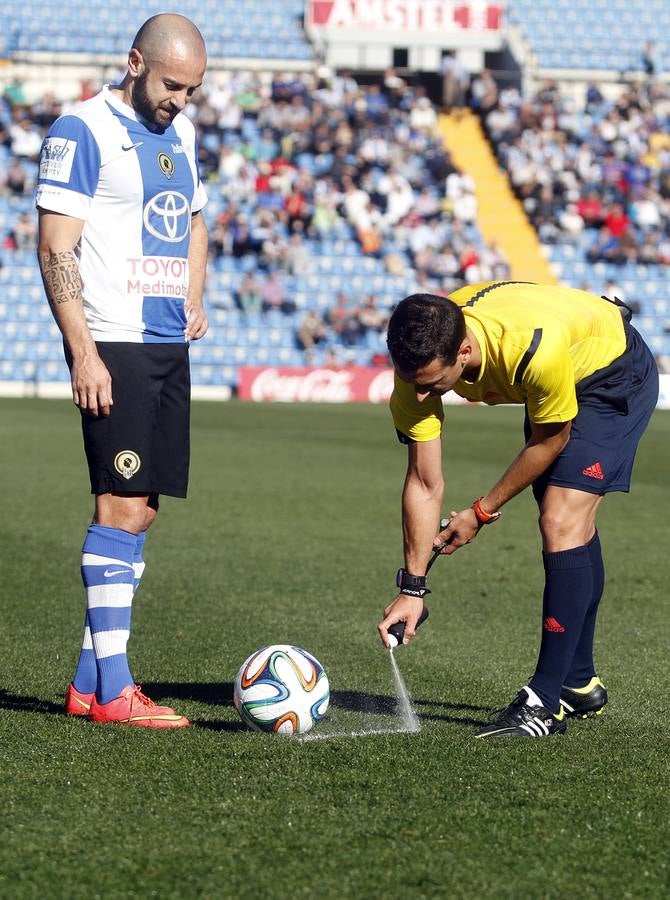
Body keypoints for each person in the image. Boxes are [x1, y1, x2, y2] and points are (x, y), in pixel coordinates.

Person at [379, 281, 658, 739]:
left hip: (612, 370)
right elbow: (425, 482)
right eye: (414, 385)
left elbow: (551, 439)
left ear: (464, 351)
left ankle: (543, 704)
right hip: (560, 371)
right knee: (570, 521)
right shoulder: (415, 370)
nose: (422, 397)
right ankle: (579, 683)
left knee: (560, 518)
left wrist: (481, 511)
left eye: (433, 385)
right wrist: (413, 588)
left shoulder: (532, 352)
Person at [36, 13, 209, 728]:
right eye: (173, 85)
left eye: (193, 90)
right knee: (118, 504)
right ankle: (113, 692)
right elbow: (54, 247)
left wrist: (193, 293)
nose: (181, 101)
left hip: (169, 346)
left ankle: (88, 684)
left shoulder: (184, 134)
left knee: (141, 509)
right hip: (114, 342)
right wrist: (83, 351)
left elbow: (195, 219)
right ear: (136, 62)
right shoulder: (82, 131)